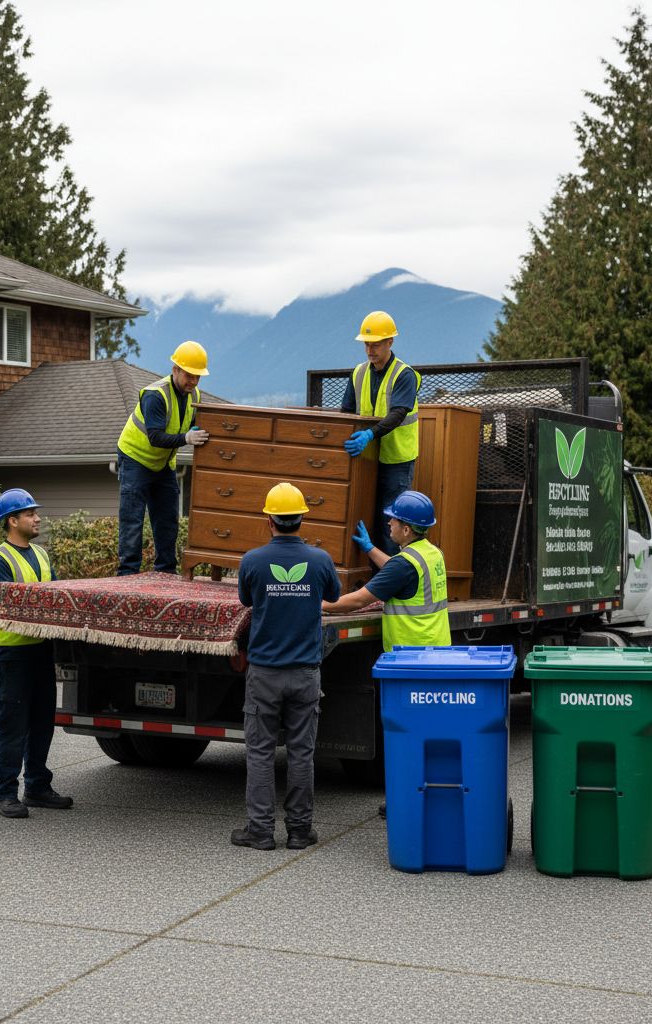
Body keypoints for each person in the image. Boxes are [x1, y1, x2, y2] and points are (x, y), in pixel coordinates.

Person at [322, 490, 450, 818]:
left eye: (394, 519)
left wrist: (317, 604)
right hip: (434, 655)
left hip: (410, 662)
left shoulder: (406, 564)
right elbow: (396, 570)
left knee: (405, 736)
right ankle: (423, 795)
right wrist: (370, 550)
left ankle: (405, 801)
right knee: (425, 733)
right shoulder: (430, 553)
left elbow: (357, 600)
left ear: (407, 529)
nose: (389, 522)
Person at [232, 483, 341, 851]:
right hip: (306, 672)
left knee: (261, 752)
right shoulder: (321, 560)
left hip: (264, 673)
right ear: (301, 520)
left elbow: (246, 600)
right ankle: (299, 830)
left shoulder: (253, 561)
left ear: (269, 521)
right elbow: (335, 596)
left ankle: (260, 832)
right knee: (301, 752)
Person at [0, 488, 73, 819]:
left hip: (41, 651)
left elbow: (56, 596)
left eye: (36, 512)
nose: (37, 518)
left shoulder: (42, 555)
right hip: (13, 653)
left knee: (42, 719)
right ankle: (5, 793)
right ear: (12, 520)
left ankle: (36, 786)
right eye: (30, 513)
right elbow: (11, 606)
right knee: (12, 724)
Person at [116, 341, 211, 575]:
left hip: (162, 463)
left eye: (198, 376)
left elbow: (190, 424)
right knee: (133, 519)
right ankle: (127, 574)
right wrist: (187, 438)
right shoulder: (155, 396)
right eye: (190, 375)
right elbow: (156, 437)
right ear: (175, 369)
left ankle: (165, 572)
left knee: (168, 519)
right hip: (135, 458)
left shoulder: (193, 394)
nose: (194, 381)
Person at [340, 311, 421, 556]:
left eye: (375, 344)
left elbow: (397, 414)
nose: (369, 350)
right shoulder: (359, 373)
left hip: (396, 460)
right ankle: (370, 580)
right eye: (367, 344)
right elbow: (346, 412)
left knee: (393, 523)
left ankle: (391, 584)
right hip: (366, 458)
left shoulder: (404, 374)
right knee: (365, 516)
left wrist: (369, 436)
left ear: (390, 342)